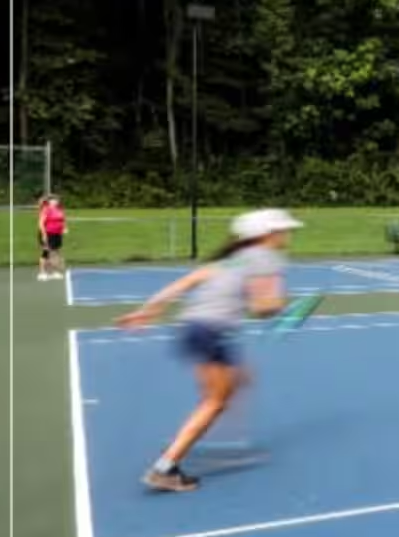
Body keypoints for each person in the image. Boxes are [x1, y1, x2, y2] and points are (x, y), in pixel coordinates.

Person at [116, 208, 302, 492]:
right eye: (283, 229)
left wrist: (146, 311)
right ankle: (164, 468)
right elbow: (261, 309)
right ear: (267, 234)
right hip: (212, 332)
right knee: (214, 402)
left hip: (194, 328)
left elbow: (184, 283)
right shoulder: (266, 259)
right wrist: (281, 304)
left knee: (237, 380)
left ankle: (223, 440)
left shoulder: (231, 260)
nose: (288, 234)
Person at [37, 194, 68, 281]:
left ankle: (54, 272)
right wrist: (44, 235)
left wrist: (64, 228)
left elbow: (63, 220)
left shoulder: (60, 209)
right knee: (46, 252)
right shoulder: (46, 209)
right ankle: (42, 273)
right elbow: (41, 223)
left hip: (57, 234)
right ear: (49, 202)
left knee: (55, 253)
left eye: (56, 200)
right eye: (53, 200)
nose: (55, 202)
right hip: (47, 233)